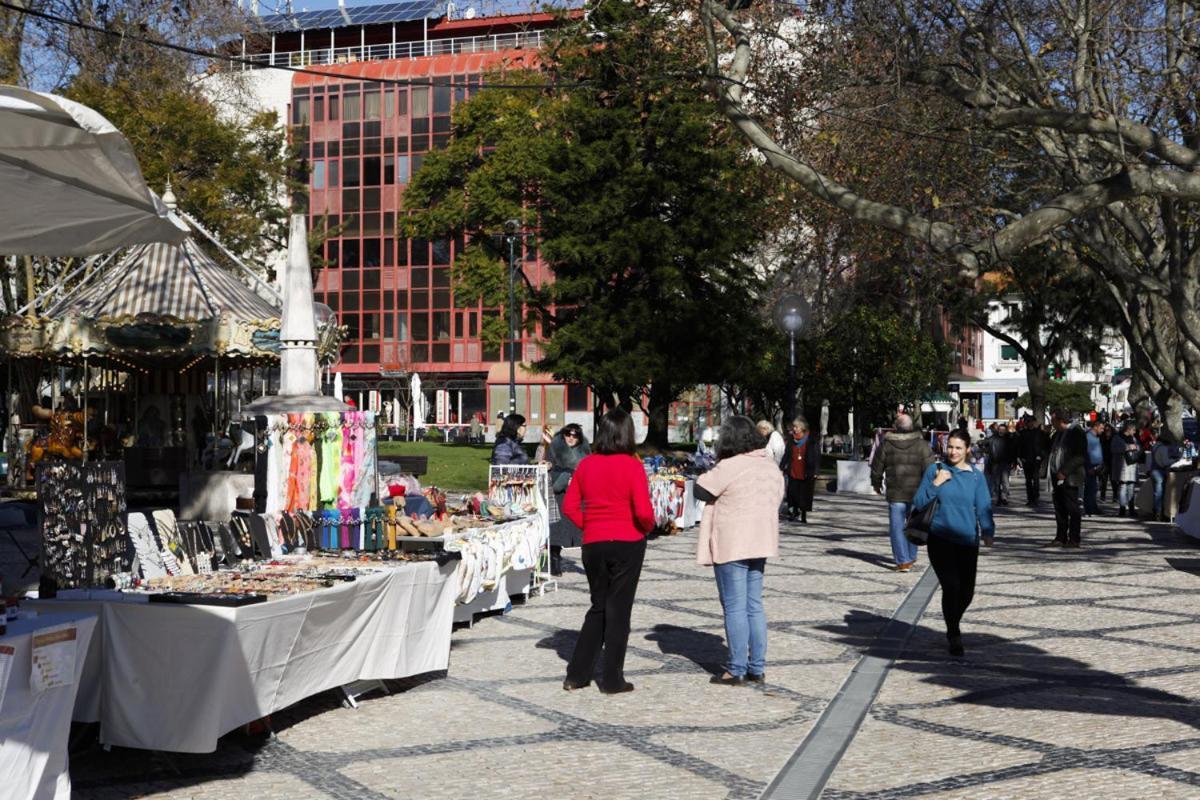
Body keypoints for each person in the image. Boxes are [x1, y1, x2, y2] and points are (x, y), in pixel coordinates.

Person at [562, 408, 655, 694]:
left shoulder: (587, 465)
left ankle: (577, 674)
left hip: (594, 542)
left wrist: (589, 525)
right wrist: (646, 528)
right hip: (627, 541)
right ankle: (612, 678)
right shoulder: (632, 465)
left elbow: (569, 506)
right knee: (618, 611)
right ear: (627, 433)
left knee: (598, 606)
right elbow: (643, 511)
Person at [693, 416, 785, 686]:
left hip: (733, 542)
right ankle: (757, 667)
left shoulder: (730, 465)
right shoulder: (769, 466)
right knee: (754, 605)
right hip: (760, 541)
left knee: (734, 606)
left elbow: (700, 489)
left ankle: (735, 669)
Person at [911, 429, 994, 657]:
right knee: (952, 587)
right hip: (940, 539)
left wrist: (988, 530)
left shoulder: (976, 476)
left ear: (968, 449)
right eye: (950, 447)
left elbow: (984, 506)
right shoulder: (935, 470)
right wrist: (936, 484)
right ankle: (953, 633)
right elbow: (918, 502)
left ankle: (952, 622)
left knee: (967, 592)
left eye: (958, 447)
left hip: (967, 540)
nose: (953, 452)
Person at [870, 413, 934, 572]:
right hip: (917, 494)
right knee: (913, 525)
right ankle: (910, 557)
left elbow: (877, 468)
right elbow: (930, 470)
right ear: (912, 427)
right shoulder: (922, 445)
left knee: (897, 528)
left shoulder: (886, 444)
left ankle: (903, 561)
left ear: (895, 427)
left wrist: (876, 484)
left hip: (896, 493)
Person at [546, 423, 590, 576]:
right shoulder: (554, 447)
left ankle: (590, 564)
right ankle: (555, 561)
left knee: (585, 529)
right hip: (560, 492)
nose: (571, 438)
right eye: (568, 434)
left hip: (580, 494)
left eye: (575, 435)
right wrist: (566, 475)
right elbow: (550, 468)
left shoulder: (585, 450)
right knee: (557, 529)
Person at [1047, 409, 1088, 547]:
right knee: (1059, 508)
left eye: (1053, 421)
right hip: (1056, 476)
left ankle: (1074, 538)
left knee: (1072, 508)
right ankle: (1061, 536)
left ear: (1060, 421)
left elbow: (1080, 456)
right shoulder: (1058, 434)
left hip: (1071, 476)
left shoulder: (1076, 433)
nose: (1052, 424)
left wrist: (1064, 471)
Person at [780, 417, 820, 523]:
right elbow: (786, 455)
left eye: (796, 427)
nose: (794, 429)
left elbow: (816, 456)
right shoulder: (791, 439)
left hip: (806, 471)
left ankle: (803, 515)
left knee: (804, 494)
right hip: (793, 470)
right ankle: (794, 512)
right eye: (794, 427)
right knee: (792, 493)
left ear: (802, 428)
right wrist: (781, 467)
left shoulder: (811, 439)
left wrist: (816, 471)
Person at [1017, 417, 1050, 507]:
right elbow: (1019, 446)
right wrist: (1020, 457)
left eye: (1031, 422)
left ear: (1034, 423)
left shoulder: (1039, 433)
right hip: (1026, 459)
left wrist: (1041, 456)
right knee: (1028, 480)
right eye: (1028, 422)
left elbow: (1044, 446)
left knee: (1035, 479)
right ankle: (1030, 498)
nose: (1029, 424)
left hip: (1036, 459)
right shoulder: (1023, 433)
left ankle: (1036, 497)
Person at [1111, 419, 1140, 516]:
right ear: (1128, 429)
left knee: (1131, 486)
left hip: (1132, 466)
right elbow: (1113, 449)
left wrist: (1136, 448)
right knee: (1122, 486)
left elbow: (1138, 448)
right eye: (1133, 430)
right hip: (1122, 466)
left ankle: (1131, 508)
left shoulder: (1134, 438)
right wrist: (1128, 447)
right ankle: (1122, 508)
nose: (1134, 432)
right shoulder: (1117, 437)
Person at [1149, 431, 1181, 521]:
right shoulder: (1163, 448)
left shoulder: (1155, 446)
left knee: (1156, 493)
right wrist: (1175, 460)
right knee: (1159, 494)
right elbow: (1165, 462)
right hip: (1159, 472)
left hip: (1153, 470)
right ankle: (1158, 514)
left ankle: (1156, 512)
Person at [985, 422, 1016, 505]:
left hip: (1006, 462)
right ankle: (998, 498)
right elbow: (985, 443)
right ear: (998, 430)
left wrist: (1014, 461)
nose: (1001, 431)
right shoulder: (993, 438)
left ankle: (1004, 497)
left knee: (1005, 482)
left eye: (1003, 429)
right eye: (1000, 429)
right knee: (996, 482)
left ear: (1005, 430)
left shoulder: (1009, 439)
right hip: (995, 462)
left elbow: (1013, 450)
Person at [1084, 418, 1106, 516]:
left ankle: (1092, 506)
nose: (1103, 430)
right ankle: (1089, 508)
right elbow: (1086, 453)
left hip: (1097, 467)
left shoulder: (1096, 437)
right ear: (1095, 427)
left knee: (1094, 488)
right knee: (1090, 488)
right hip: (1091, 467)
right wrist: (1089, 467)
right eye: (1101, 428)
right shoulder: (1088, 437)